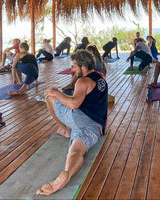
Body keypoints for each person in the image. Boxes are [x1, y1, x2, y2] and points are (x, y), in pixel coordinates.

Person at [36, 50, 108, 196]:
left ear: (84, 67)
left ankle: (62, 129)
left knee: (49, 94)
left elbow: (74, 104)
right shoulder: (101, 77)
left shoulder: (83, 81)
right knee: (76, 151)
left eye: (75, 66)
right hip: (95, 127)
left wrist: (57, 93)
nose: (72, 69)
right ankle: (67, 174)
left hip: (78, 117)